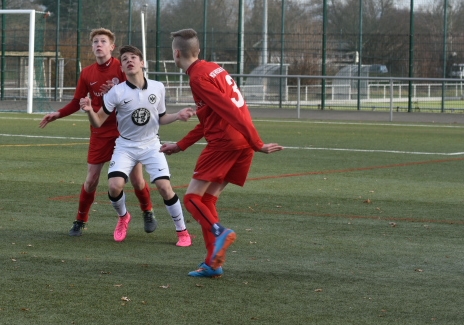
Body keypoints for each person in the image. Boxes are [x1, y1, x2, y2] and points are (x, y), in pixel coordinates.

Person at [161, 29, 283, 278]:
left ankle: (220, 231)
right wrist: (181, 145)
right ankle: (212, 264)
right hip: (240, 144)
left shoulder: (197, 78)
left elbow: (229, 109)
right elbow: (209, 118)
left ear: (176, 53)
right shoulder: (213, 68)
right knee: (207, 200)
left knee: (192, 199)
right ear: (198, 51)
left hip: (225, 143)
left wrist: (257, 142)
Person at [39, 28, 156, 237]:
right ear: (92, 47)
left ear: (112, 47)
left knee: (137, 179)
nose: (98, 45)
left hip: (126, 133)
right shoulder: (88, 73)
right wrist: (57, 114)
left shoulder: (123, 68)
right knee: (92, 178)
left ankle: (147, 211)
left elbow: (140, 90)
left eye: (103, 41)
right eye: (95, 42)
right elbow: (77, 101)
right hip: (100, 132)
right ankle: (81, 220)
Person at [79, 45, 195, 245]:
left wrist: (178, 115)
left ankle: (182, 231)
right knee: (115, 186)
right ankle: (123, 217)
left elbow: (161, 117)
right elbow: (97, 122)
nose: (129, 61)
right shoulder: (116, 92)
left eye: (133, 57)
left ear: (142, 63)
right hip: (126, 146)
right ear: (122, 67)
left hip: (151, 145)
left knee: (165, 187)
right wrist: (90, 109)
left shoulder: (158, 87)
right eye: (124, 59)